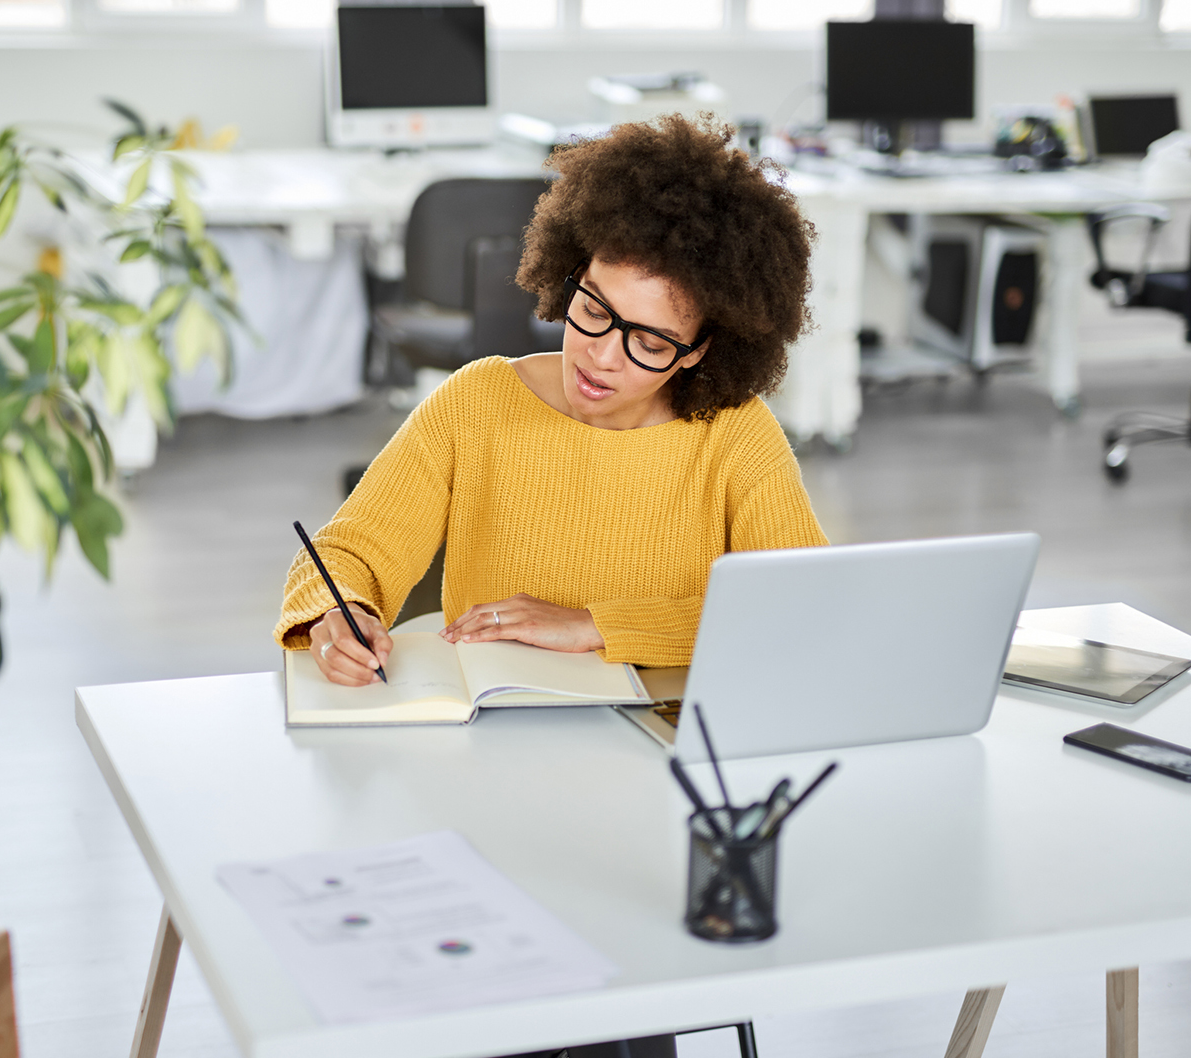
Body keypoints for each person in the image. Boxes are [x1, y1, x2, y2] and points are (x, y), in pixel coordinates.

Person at [276, 114, 829, 686]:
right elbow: (350, 551)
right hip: (498, 728)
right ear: (570, 272)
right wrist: (337, 611)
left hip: (670, 735)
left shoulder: (735, 433)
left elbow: (806, 605)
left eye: (648, 342)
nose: (602, 356)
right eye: (592, 310)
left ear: (698, 351)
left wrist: (599, 626)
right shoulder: (477, 401)